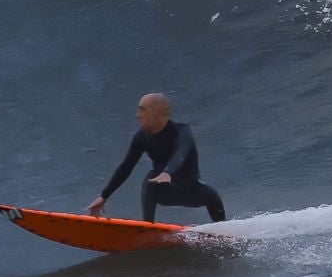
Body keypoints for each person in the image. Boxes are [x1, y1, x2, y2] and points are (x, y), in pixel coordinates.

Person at [87, 93, 228, 224]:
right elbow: (126, 166)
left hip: (189, 188)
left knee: (213, 197)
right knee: (150, 180)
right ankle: (147, 226)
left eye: (142, 110)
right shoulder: (141, 137)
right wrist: (104, 196)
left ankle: (224, 233)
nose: (137, 115)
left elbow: (181, 153)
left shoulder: (182, 131)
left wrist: (167, 172)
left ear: (156, 113)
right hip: (164, 190)